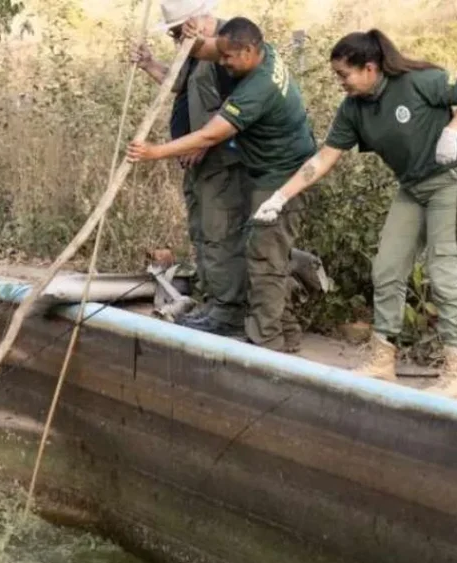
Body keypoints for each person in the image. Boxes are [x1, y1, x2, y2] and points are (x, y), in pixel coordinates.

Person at [250, 29, 457, 400]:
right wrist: (280, 196)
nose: (340, 83)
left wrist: (453, 131)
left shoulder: (418, 81)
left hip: (456, 179)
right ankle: (383, 359)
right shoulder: (353, 110)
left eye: (344, 75)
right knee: (387, 268)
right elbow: (324, 158)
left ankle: (456, 373)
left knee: (444, 271)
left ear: (370, 68)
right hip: (414, 186)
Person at [128, 17, 317, 353]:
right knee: (263, 253)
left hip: (281, 175)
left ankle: (266, 342)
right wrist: (174, 48)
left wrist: (154, 152)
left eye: (229, 58)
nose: (224, 63)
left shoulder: (257, 85)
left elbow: (213, 132)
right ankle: (282, 333)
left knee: (263, 256)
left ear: (247, 50)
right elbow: (202, 57)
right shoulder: (243, 45)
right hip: (267, 172)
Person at [130, 0, 247, 334]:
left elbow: (242, 104)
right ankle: (213, 302)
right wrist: (149, 64)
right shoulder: (193, 49)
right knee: (201, 231)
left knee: (219, 234)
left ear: (200, 20)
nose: (173, 37)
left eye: (177, 30)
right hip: (195, 162)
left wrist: (204, 140)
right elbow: (179, 83)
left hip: (221, 160)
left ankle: (228, 312)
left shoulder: (229, 45)